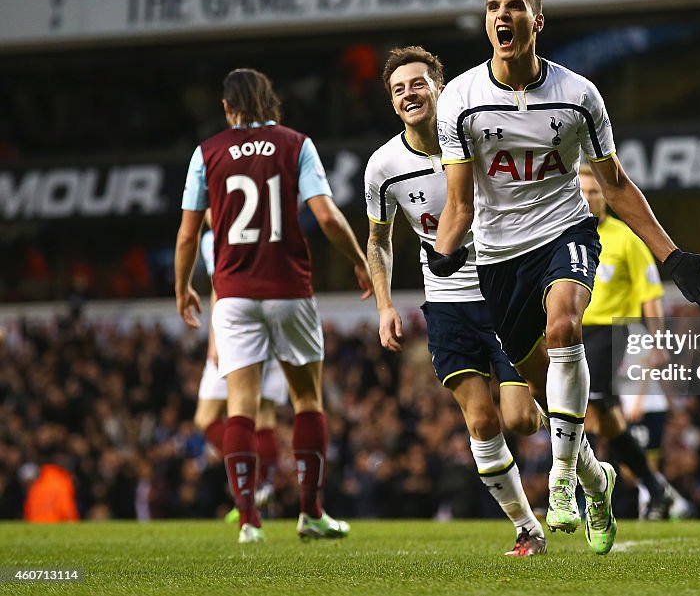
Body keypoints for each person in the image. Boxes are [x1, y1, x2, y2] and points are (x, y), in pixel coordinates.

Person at [429, 0, 700, 555]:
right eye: (492, 7)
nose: (501, 15)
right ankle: (597, 476)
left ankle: (561, 482)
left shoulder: (579, 95)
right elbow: (460, 200)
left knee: (566, 327)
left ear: (537, 21)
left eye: (514, 6)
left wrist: (669, 255)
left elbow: (614, 186)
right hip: (497, 256)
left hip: (565, 233)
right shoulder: (459, 99)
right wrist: (442, 257)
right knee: (522, 412)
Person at [175, 68, 373, 544]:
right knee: (307, 400)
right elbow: (325, 214)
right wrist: (360, 260)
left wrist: (182, 287)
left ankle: (248, 521)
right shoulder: (295, 144)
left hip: (235, 295)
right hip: (289, 290)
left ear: (227, 108)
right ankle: (311, 513)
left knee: (239, 407)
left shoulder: (207, 153)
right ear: (271, 102)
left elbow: (187, 233)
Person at [365, 45, 548, 556]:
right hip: (446, 301)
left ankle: (589, 469)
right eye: (399, 89)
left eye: (418, 83)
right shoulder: (383, 166)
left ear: (439, 87)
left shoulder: (477, 138)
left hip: (503, 290)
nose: (409, 94)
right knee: (481, 422)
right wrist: (383, 306)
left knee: (519, 419)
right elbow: (378, 241)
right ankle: (527, 530)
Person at [578, 163, 691, 520]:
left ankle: (585, 500)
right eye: (582, 193)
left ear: (605, 198)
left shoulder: (626, 238)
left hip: (609, 330)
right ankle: (654, 486)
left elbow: (649, 294)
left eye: (595, 193)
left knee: (586, 410)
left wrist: (658, 341)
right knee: (604, 419)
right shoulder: (562, 236)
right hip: (569, 332)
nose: (589, 199)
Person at [193, 223, 288, 521]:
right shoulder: (270, 223)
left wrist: (215, 338)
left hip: (239, 328)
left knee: (231, 417)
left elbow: (218, 286)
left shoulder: (216, 235)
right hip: (274, 322)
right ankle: (262, 486)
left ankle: (251, 491)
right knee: (260, 416)